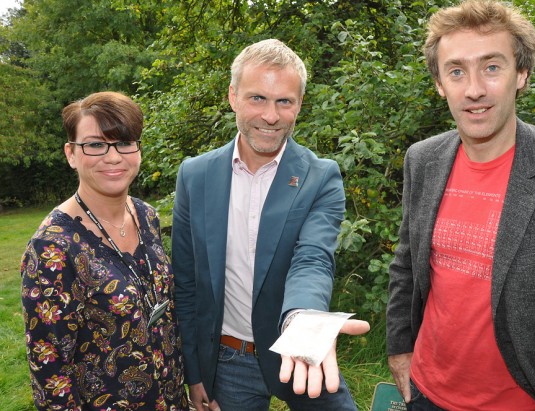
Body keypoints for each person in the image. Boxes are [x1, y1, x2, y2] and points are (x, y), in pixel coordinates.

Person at [386, 0, 535, 410]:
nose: (473, 88)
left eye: (491, 67)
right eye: (456, 71)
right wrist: (399, 347)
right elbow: (406, 263)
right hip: (425, 393)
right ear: (440, 83)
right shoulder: (422, 160)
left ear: (521, 74)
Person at [172, 38, 369, 411]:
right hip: (228, 361)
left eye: (284, 101)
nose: (271, 115)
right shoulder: (195, 176)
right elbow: (186, 284)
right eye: (257, 98)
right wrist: (194, 373)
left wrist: (304, 321)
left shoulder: (320, 177)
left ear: (299, 105)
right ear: (233, 97)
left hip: (302, 349)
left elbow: (313, 259)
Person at [21, 91, 189, 410]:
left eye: (124, 142)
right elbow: (50, 375)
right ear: (71, 153)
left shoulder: (147, 216)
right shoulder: (53, 247)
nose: (113, 157)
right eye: (95, 144)